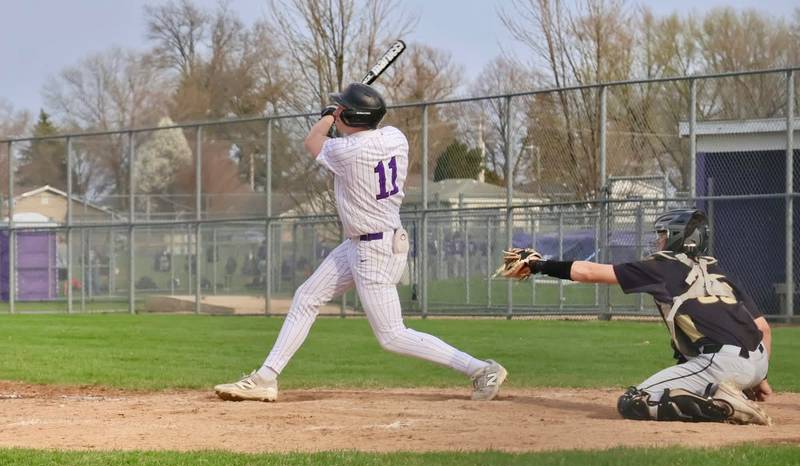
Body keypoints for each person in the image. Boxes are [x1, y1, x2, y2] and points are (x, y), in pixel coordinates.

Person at [214, 83, 507, 402]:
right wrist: (342, 114)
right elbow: (357, 132)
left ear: (352, 115)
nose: (337, 111)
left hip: (374, 250)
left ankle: (481, 369)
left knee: (392, 336)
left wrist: (328, 117)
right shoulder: (395, 137)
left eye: (342, 109)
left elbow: (312, 141)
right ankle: (266, 378)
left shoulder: (349, 151)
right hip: (366, 241)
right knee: (307, 296)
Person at [497, 208, 772, 425]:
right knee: (686, 384)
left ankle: (724, 406)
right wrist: (758, 378)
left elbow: (589, 272)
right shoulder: (718, 270)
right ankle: (728, 393)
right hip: (757, 361)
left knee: (634, 401)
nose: (658, 240)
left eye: (663, 234)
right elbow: (763, 328)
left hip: (721, 363)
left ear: (678, 237)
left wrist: (539, 265)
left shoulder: (661, 267)